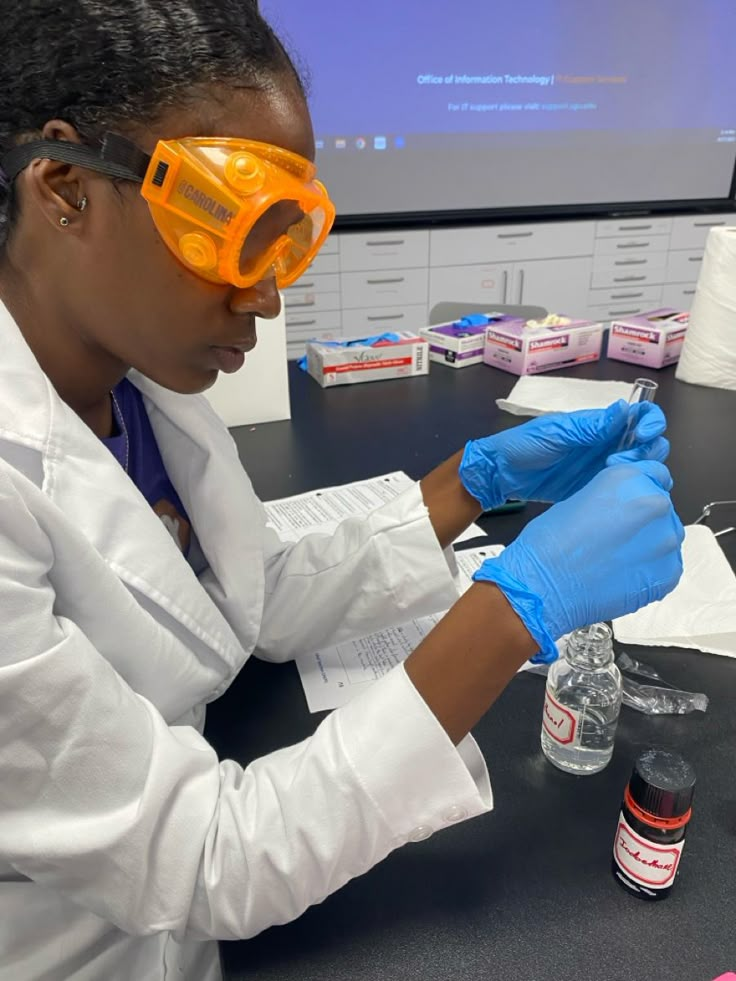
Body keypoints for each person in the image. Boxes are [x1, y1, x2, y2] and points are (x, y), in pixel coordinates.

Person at [0, 3, 684, 979]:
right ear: (67, 188)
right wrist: (510, 613)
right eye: (229, 230)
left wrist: (468, 485)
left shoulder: (141, 383)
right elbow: (209, 860)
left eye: (288, 241)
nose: (266, 296)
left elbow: (245, 592)